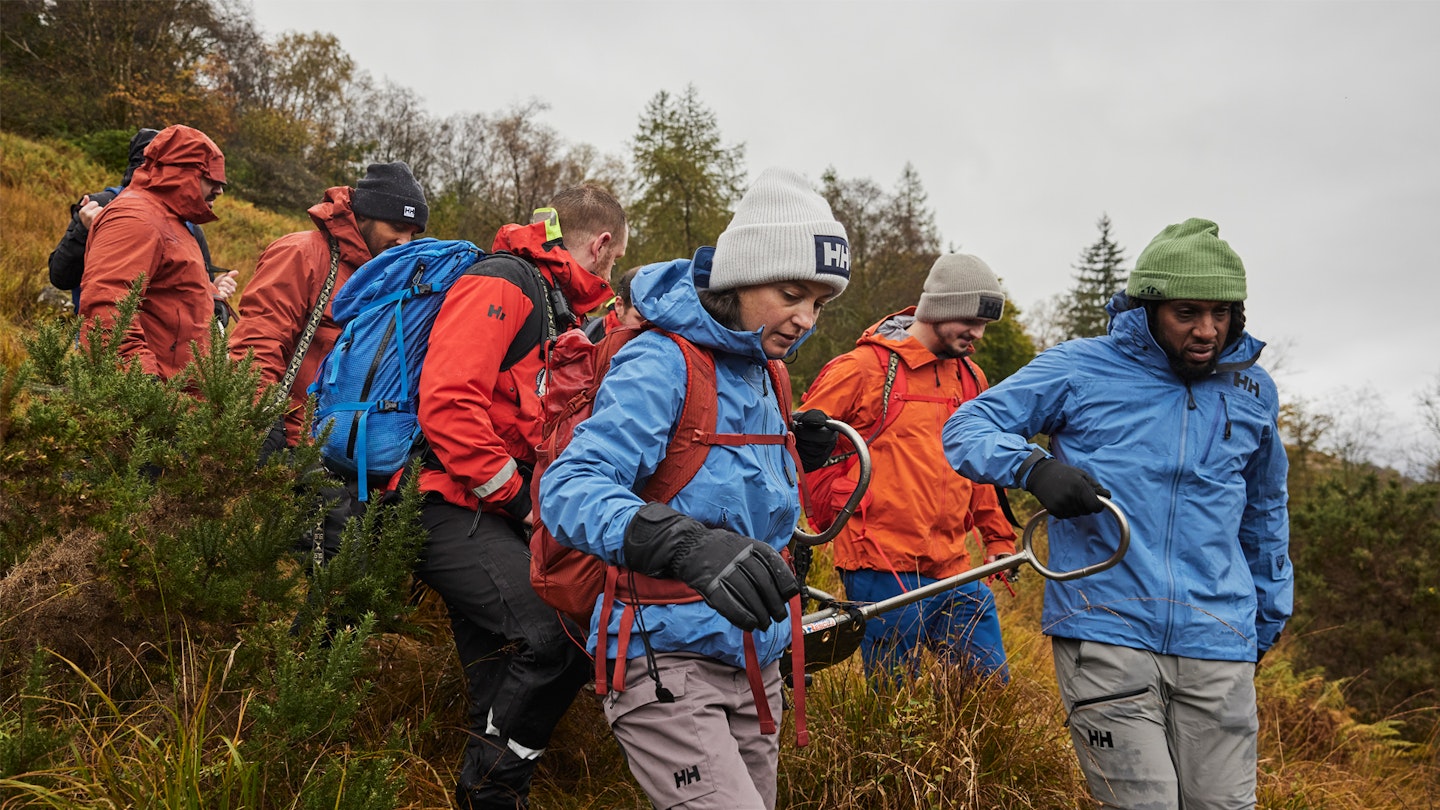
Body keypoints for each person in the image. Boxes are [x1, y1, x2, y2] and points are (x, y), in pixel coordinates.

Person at [942, 218, 1291, 809]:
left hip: (1220, 638)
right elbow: (968, 425)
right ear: (1149, 309)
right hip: (1105, 630)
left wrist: (1266, 617)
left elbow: (1264, 511)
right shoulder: (1080, 368)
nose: (1207, 330)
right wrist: (1035, 469)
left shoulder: (1252, 389)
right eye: (1188, 313)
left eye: (1222, 313)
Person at [539, 168, 848, 810]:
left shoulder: (771, 375)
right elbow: (569, 488)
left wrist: (792, 446)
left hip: (756, 664)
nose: (804, 319)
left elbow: (717, 482)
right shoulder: (662, 361)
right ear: (739, 277)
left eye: (819, 304)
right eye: (791, 292)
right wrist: (685, 545)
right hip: (664, 660)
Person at [415, 184, 624, 809]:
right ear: (604, 243)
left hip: (492, 506)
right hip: (445, 500)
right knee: (552, 636)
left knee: (510, 656)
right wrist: (523, 502)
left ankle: (491, 787)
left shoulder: (566, 308)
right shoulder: (504, 283)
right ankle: (490, 792)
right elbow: (449, 406)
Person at [800, 253, 1017, 682]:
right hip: (879, 565)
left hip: (954, 565)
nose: (977, 333)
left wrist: (998, 537)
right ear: (939, 307)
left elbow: (980, 464)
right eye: (970, 320)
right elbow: (795, 454)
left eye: (984, 324)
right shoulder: (861, 370)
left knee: (988, 686)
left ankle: (973, 754)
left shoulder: (971, 378)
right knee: (895, 698)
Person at [228, 162, 429, 455]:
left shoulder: (391, 279)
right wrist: (261, 421)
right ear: (364, 216)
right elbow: (257, 344)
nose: (404, 242)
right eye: (397, 227)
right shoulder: (301, 254)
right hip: (290, 444)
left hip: (348, 455)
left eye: (413, 234)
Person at [79, 124, 228, 381]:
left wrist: (212, 294)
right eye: (211, 179)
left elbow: (172, 289)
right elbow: (107, 308)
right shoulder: (137, 219)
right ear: (181, 172)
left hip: (179, 399)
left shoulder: (171, 221)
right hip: (153, 402)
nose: (219, 189)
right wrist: (144, 387)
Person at [51, 127, 236, 325]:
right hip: (108, 335)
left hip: (164, 347)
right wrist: (82, 232)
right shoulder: (104, 206)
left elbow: (192, 293)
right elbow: (61, 277)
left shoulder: (187, 223)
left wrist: (212, 289)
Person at [582, 264, 647, 341]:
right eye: (641, 320)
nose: (648, 330)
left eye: (655, 324)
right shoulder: (582, 333)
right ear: (619, 306)